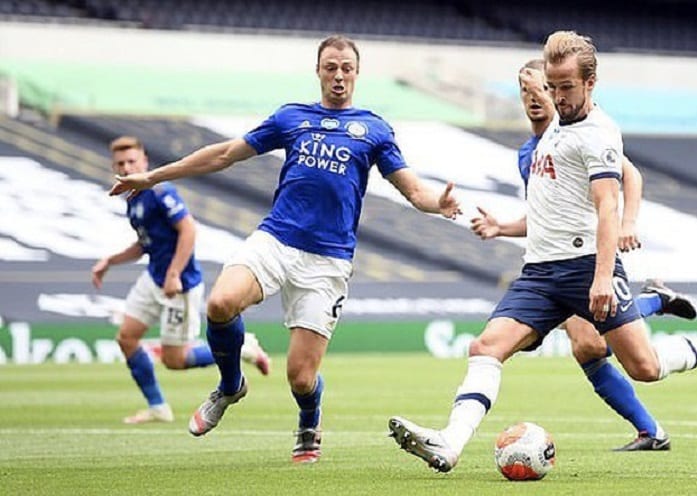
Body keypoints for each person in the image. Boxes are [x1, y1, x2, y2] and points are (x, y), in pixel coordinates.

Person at [388, 30, 697, 473]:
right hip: (539, 273)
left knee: (644, 367)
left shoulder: (599, 133)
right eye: (551, 87)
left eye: (566, 88)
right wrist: (501, 227)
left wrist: (605, 274)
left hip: (584, 265)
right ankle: (450, 443)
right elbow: (552, 208)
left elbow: (607, 204)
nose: (557, 97)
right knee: (485, 346)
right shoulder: (549, 131)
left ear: (590, 84)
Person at [108, 36, 461, 463]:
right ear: (318, 71)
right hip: (276, 239)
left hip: (327, 261)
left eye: (347, 67)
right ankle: (230, 385)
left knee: (300, 377)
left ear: (357, 72)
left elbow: (413, 190)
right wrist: (151, 177)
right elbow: (223, 154)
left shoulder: (373, 129)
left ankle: (309, 419)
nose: (339, 75)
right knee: (220, 303)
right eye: (331, 66)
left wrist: (437, 206)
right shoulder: (292, 117)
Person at [469, 60, 695, 451]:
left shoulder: (583, 133)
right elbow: (543, 216)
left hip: (588, 258)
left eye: (541, 88)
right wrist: (502, 227)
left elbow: (631, 176)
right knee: (588, 345)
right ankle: (651, 429)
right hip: (551, 261)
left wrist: (628, 222)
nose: (534, 98)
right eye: (525, 92)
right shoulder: (529, 152)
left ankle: (654, 308)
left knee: (592, 345)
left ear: (558, 89)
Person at [94, 136, 271, 425]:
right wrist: (109, 262)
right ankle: (157, 407)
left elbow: (188, 230)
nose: (126, 168)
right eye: (120, 163)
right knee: (126, 337)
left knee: (174, 360)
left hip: (180, 285)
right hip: (154, 278)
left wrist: (174, 273)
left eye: (132, 162)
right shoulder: (132, 200)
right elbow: (144, 244)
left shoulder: (161, 191)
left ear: (144, 162)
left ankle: (242, 348)